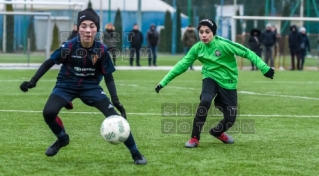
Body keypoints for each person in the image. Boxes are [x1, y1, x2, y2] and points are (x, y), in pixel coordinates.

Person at [19, 8, 147, 165]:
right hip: (66, 85)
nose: (87, 30)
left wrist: (115, 99)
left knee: (115, 118)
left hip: (91, 87)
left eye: (92, 26)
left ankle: (136, 153)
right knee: (48, 112)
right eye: (84, 26)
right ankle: (62, 139)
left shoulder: (101, 50)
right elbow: (49, 62)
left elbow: (108, 76)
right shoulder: (69, 47)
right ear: (78, 28)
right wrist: (33, 81)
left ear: (97, 29)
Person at [154, 19, 274, 148]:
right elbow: (181, 65)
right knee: (205, 100)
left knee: (230, 119)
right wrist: (163, 82)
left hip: (228, 83)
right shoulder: (197, 48)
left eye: (207, 32)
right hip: (210, 78)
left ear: (214, 33)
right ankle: (194, 138)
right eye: (201, 32)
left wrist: (264, 68)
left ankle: (217, 132)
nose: (204, 35)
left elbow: (247, 52)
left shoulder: (224, 44)